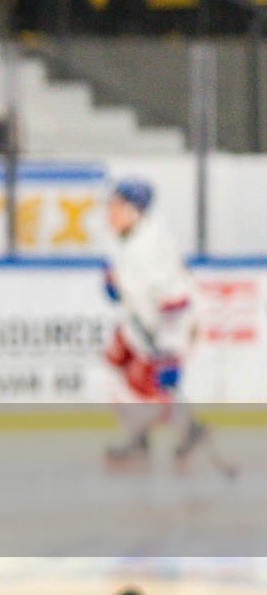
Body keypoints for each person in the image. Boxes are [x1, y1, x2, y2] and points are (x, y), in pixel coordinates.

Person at [101, 177, 205, 469]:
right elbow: (127, 285)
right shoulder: (125, 238)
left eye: (117, 206)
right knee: (117, 366)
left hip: (169, 328)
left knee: (149, 385)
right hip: (143, 324)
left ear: (135, 210)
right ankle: (166, 432)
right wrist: (114, 285)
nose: (109, 212)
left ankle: (162, 434)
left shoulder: (150, 247)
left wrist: (170, 351)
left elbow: (177, 301)